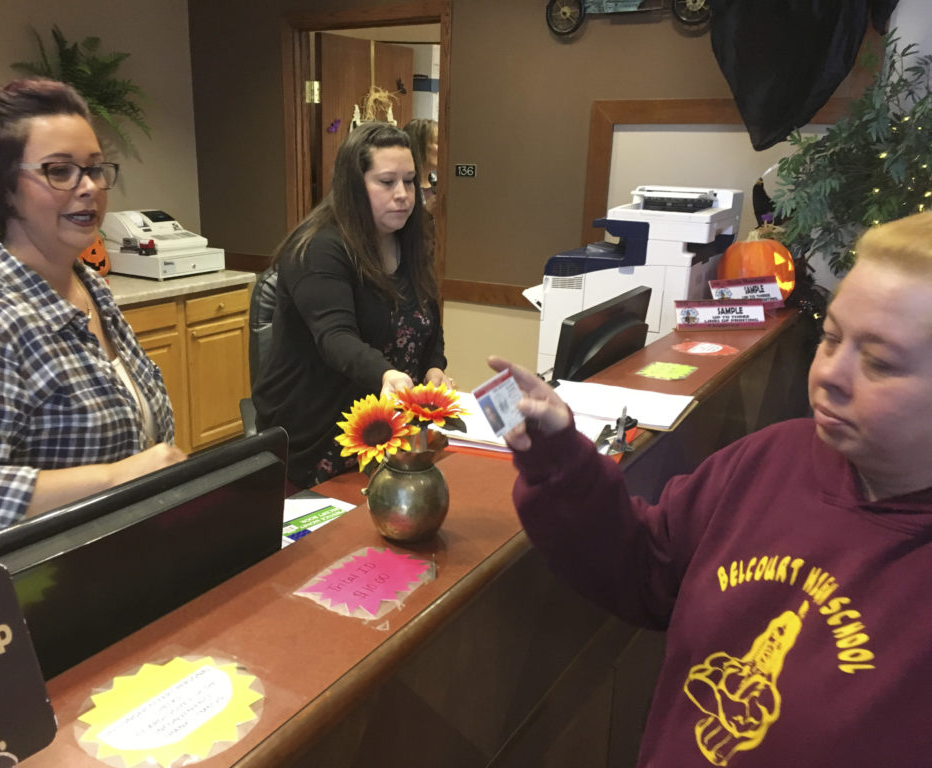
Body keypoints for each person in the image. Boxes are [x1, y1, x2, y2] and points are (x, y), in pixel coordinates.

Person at [488, 210, 932, 766]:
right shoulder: (772, 458)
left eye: (880, 362)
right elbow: (644, 567)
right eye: (831, 338)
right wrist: (560, 461)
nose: (829, 376)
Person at [0, 79, 186, 560]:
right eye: (60, 171)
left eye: (96, 169)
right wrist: (119, 477)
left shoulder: (89, 287)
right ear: (4, 187)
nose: (90, 188)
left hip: (101, 558)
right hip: (7, 595)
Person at [252, 121, 449, 490]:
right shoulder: (318, 248)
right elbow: (335, 336)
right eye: (387, 182)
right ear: (353, 185)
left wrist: (435, 366)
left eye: (410, 180)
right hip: (319, 437)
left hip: (389, 435)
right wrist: (386, 375)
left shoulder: (412, 238)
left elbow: (427, 323)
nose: (404, 194)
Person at [403, 118, 438, 210]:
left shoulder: (439, 184)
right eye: (438, 142)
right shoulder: (401, 187)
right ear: (419, 146)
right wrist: (426, 212)